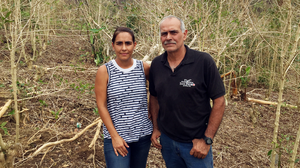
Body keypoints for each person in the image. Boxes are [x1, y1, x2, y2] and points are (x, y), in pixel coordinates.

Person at [149, 15, 226, 168]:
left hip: (195, 145)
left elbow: (220, 101)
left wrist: (207, 140)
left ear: (184, 34)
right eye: (164, 34)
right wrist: (156, 127)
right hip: (168, 143)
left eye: (173, 32)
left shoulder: (203, 62)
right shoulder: (157, 64)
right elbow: (154, 97)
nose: (168, 37)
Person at [95, 27, 153, 168]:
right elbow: (101, 105)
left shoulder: (143, 68)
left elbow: (158, 90)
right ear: (113, 45)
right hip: (116, 136)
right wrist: (115, 137)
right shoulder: (105, 71)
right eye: (119, 43)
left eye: (128, 43)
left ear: (134, 44)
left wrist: (152, 108)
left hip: (142, 134)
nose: (124, 48)